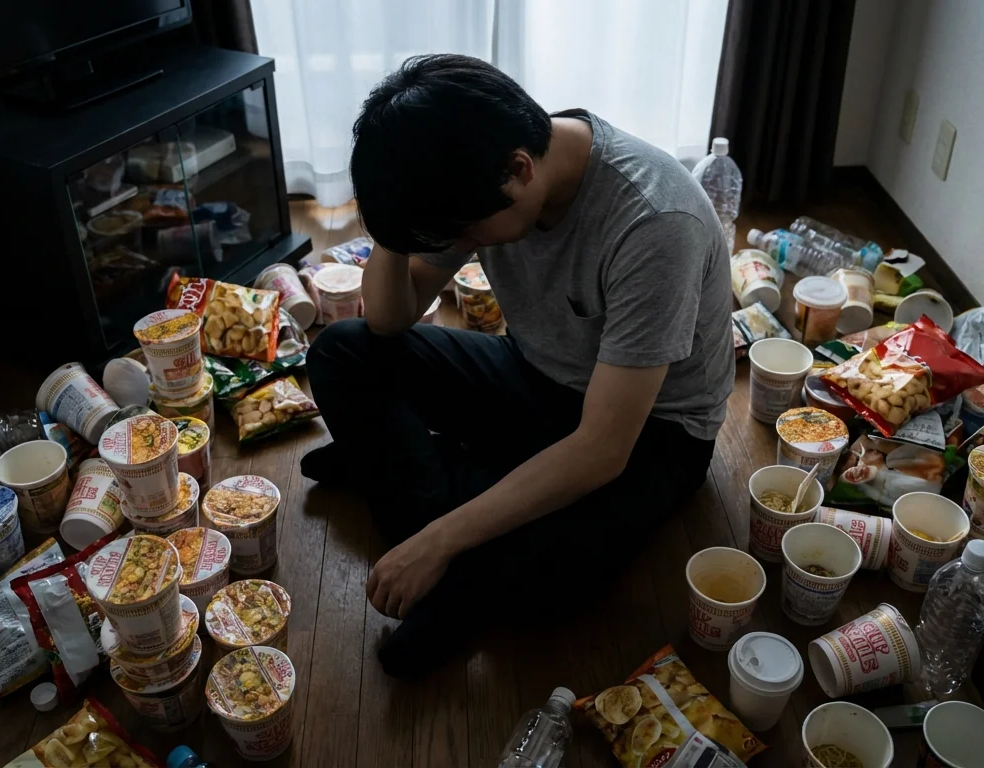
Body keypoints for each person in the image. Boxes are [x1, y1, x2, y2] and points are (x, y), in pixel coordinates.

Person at [303, 54, 734, 676]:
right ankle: (454, 494)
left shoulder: (655, 222)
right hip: (534, 373)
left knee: (558, 583)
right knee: (341, 351)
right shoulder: (472, 171)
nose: (463, 245)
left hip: (651, 432)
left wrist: (440, 538)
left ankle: (421, 479)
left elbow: (601, 448)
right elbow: (388, 321)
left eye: (467, 234)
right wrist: (393, 231)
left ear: (520, 170)